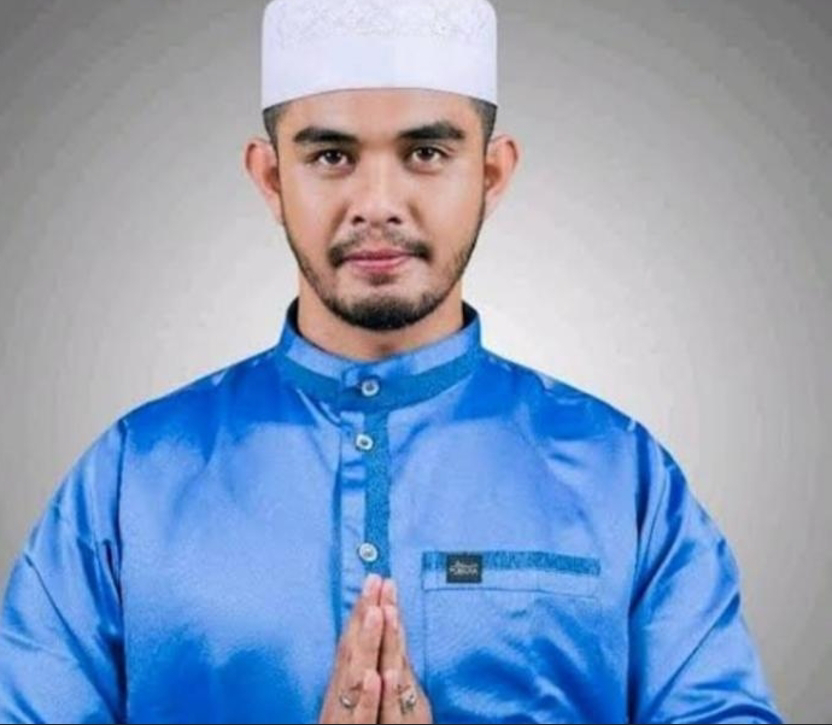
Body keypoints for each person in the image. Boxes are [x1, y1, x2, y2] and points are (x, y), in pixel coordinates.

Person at [0, 0, 783, 723]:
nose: (377, 202)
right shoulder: (134, 478)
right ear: (271, 177)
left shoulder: (621, 475)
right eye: (331, 155)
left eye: (426, 152)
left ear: (491, 173)